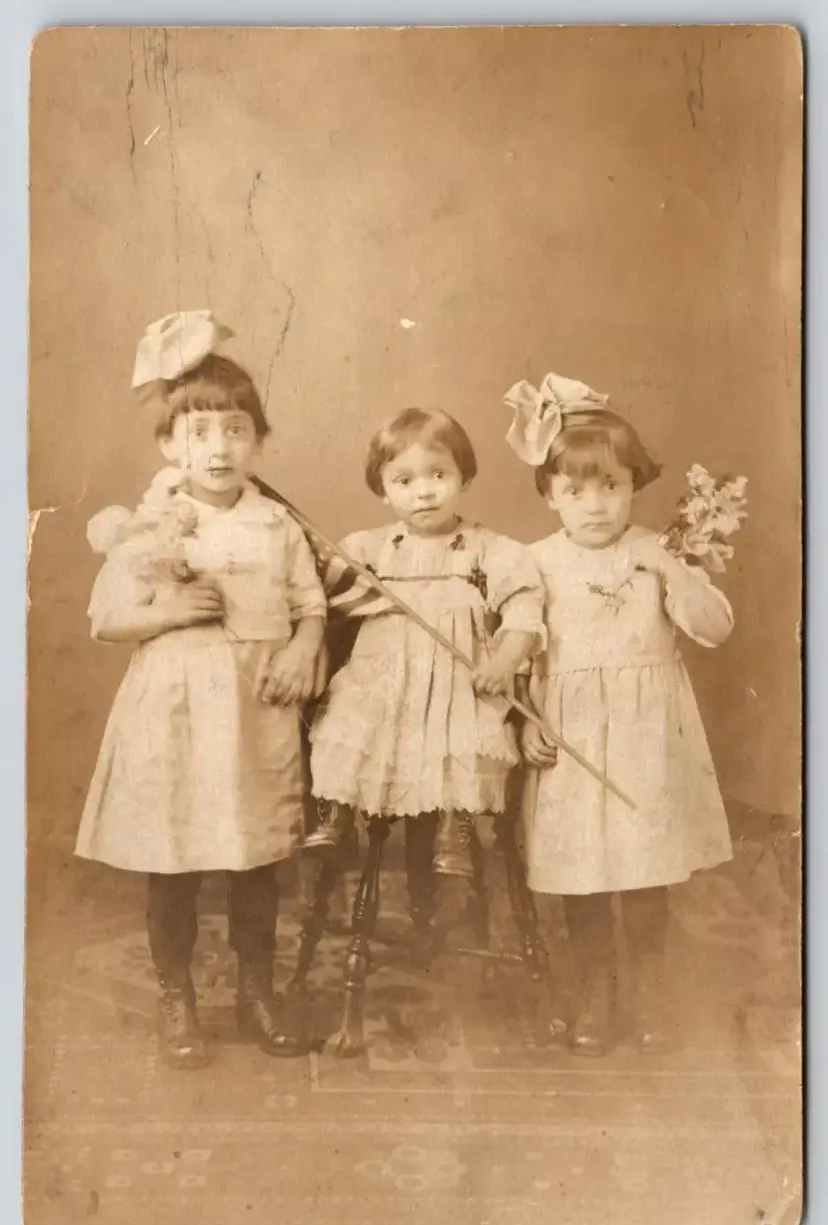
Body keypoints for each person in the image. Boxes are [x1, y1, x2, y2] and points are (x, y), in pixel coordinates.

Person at [76, 311, 326, 1067]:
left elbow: (310, 601)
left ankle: (258, 991)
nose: (217, 448)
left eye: (235, 430)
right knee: (175, 856)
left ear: (257, 441)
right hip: (177, 709)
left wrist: (308, 644)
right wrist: (167, 610)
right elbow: (105, 618)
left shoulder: (277, 524)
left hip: (255, 708)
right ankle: (177, 997)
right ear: (168, 445)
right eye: (197, 433)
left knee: (256, 859)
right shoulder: (152, 525)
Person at [506, 372, 734, 1056]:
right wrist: (525, 720)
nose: (595, 506)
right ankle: (597, 995)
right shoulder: (536, 562)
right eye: (574, 491)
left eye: (610, 487)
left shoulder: (657, 553)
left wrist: (678, 573)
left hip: (645, 742)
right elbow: (519, 650)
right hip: (571, 736)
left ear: (634, 484)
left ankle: (647, 993)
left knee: (644, 877)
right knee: (584, 879)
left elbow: (714, 628)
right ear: (549, 495)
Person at [305, 407, 547, 941]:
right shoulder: (371, 549)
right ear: (383, 491)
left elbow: (526, 607)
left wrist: (504, 659)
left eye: (440, 475)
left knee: (467, 736)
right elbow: (315, 588)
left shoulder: (490, 550)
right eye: (405, 480)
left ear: (463, 476)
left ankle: (455, 825)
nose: (424, 492)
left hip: (458, 686)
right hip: (386, 687)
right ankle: (338, 814)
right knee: (350, 724)